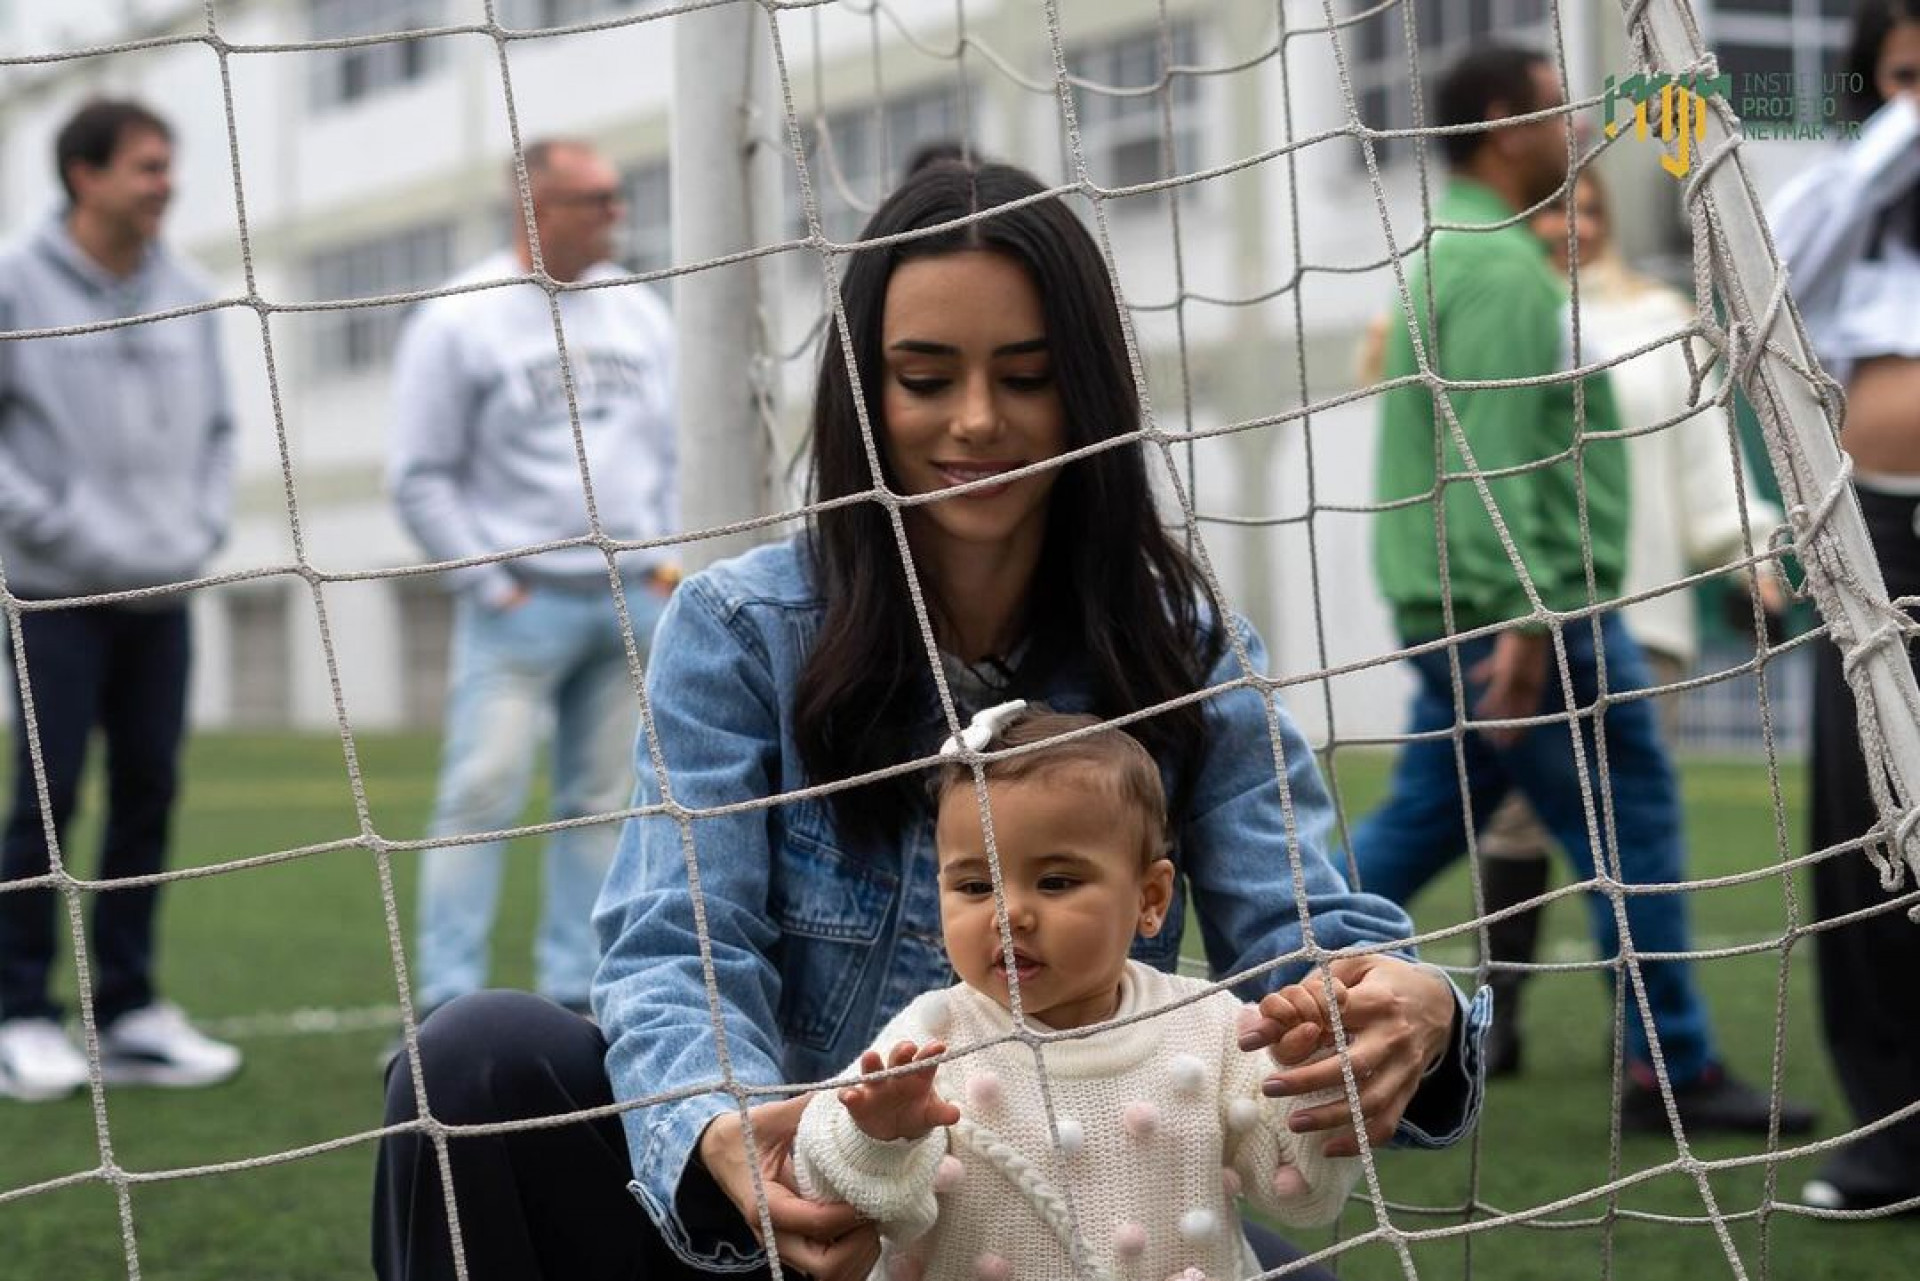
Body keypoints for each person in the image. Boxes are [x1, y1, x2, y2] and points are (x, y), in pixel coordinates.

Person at [373, 159, 1487, 1281]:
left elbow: (1296, 932)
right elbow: (682, 948)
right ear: (868, 394)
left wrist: (1414, 1002)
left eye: (1027, 375)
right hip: (791, 1211)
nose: (975, 421)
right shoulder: (739, 626)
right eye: (923, 377)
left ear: (1087, 391)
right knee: (475, 1062)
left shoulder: (1180, 645)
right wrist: (723, 1132)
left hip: (1059, 1219)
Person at [1353, 45, 1814, 1136]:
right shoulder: (1502, 273)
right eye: (1559, 112)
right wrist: (1532, 616)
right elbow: (1502, 463)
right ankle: (1674, 1071)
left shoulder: (1459, 258)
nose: (1577, 131)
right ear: (1505, 122)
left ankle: (1254, 964)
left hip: (1479, 612)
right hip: (1529, 618)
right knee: (1633, 824)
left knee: (1428, 817)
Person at [793, 701, 1361, 1279]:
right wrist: (881, 1135)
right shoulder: (935, 1037)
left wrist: (1309, 1076)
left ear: (1151, 899)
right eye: (972, 885)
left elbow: (1303, 1196)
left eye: (1056, 881)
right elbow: (823, 1177)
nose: (1009, 913)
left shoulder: (1208, 1023)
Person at [1461, 168, 1789, 1077]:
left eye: (1593, 208)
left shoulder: (1663, 324)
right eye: (1556, 207)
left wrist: (1753, 560)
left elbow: (1705, 464)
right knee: (1516, 826)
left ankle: (1645, 1044)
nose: (1575, 224)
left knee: (1628, 833)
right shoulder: (1496, 317)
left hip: (1638, 619)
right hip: (1516, 618)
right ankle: (1498, 1021)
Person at [387, 138, 677, 1024]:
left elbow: (670, 451)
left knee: (603, 803)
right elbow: (419, 473)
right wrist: (491, 583)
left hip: (632, 598)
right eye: (594, 198)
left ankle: (574, 991)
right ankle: (445, 999)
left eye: (615, 195)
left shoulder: (639, 310)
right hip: (523, 603)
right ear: (535, 208)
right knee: (480, 796)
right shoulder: (460, 318)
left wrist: (664, 557)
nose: (615, 214)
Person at [0, 99, 242, 1101]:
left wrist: (196, 531)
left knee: (149, 790)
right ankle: (17, 1014)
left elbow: (224, 431)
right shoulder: (15, 284)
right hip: (54, 592)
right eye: (146, 166)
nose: (164, 183)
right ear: (83, 175)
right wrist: (70, 530)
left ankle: (130, 1008)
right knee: (47, 801)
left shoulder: (188, 289)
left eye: (167, 165)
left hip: (163, 590)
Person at [1769, 0, 1920, 1215]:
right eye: (1911, 72)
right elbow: (1772, 286)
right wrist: (1897, 136)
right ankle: (1895, 1136)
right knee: (1868, 829)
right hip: (1874, 545)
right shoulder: (1850, 202)